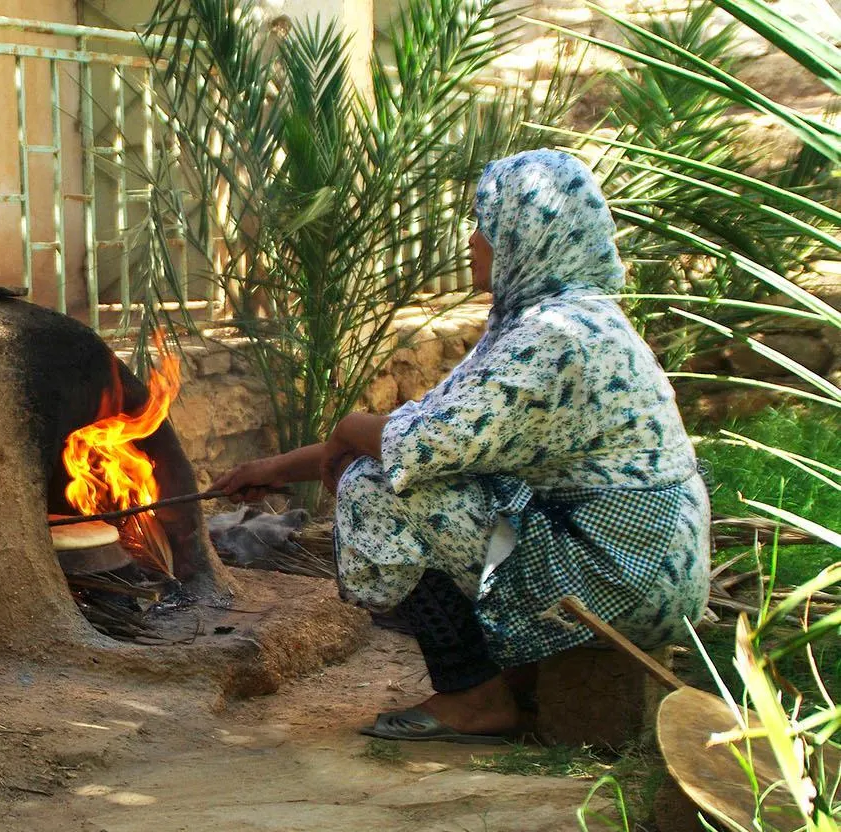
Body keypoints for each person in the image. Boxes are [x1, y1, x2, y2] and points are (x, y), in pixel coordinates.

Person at [212, 149, 710, 743]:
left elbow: (414, 447)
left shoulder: (554, 337)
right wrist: (273, 468)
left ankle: (472, 694)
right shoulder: (561, 317)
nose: (472, 242)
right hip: (632, 558)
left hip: (624, 575)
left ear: (528, 234)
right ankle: (506, 674)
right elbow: (429, 427)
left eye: (487, 226)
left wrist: (346, 430)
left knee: (377, 488)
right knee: (422, 477)